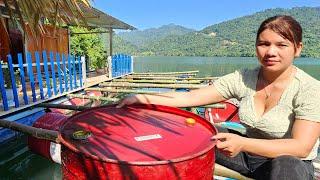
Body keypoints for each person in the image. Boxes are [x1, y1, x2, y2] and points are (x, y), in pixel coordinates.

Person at [116, 15, 320, 180]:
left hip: (289, 168)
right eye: (264, 44)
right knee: (195, 130)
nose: (271, 52)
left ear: (298, 48)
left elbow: (301, 147)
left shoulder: (310, 88)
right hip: (246, 156)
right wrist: (143, 98)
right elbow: (191, 97)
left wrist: (242, 143)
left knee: (287, 162)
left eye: (281, 45)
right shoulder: (244, 77)